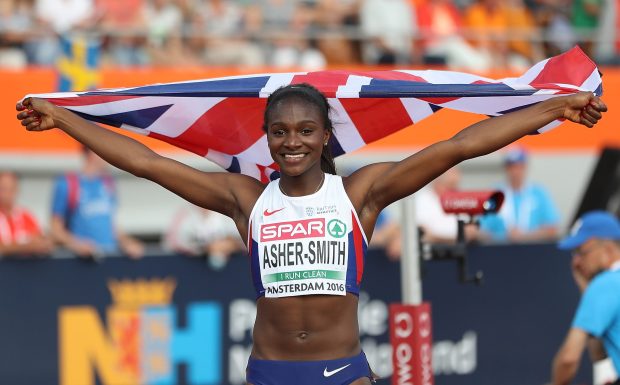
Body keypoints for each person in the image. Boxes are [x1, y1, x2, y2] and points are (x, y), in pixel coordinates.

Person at [17, 83, 606, 385]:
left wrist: (553, 109)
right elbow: (146, 163)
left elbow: (459, 145)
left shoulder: (359, 195)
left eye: (304, 130)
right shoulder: (245, 199)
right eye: (278, 132)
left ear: (326, 136)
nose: (290, 142)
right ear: (267, 139)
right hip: (269, 371)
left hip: (342, 371)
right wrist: (65, 118)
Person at [549, 210, 620, 385]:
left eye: (582, 252)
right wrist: (587, 291)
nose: (577, 262)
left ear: (608, 249)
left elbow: (568, 359)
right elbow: (599, 354)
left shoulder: (605, 285)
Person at [50, 146, 144, 259]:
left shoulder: (108, 183)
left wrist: (128, 242)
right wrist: (77, 245)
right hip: (82, 262)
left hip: (109, 258)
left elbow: (110, 224)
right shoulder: (67, 183)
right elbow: (56, 229)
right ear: (92, 153)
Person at [479, 146, 561, 242]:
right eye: (511, 167)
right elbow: (482, 230)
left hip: (534, 251)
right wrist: (504, 236)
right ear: (506, 168)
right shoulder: (494, 194)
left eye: (519, 167)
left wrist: (524, 237)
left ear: (525, 167)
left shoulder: (539, 192)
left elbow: (552, 229)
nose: (515, 172)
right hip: (501, 251)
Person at [163, 205, 245, 270]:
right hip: (192, 270)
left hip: (235, 270)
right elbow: (171, 242)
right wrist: (205, 248)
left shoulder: (230, 210)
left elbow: (246, 238)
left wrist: (232, 244)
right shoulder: (184, 213)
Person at [0, 170, 53, 257]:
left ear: (17, 189)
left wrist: (45, 242)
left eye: (11, 188)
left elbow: (40, 240)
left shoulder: (25, 216)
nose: (7, 194)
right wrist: (25, 246)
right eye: (3, 189)